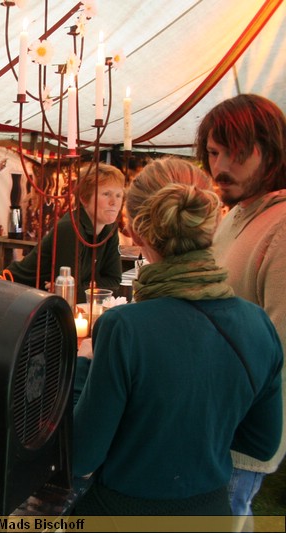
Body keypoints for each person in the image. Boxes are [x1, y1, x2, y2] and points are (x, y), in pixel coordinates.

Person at [72, 158, 283, 517]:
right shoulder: (257, 324)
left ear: (137, 232)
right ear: (213, 225)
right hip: (210, 512)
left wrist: (83, 366)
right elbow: (262, 444)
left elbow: (80, 455)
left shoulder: (124, 328)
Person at [195, 93, 286, 521]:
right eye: (214, 152)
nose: (221, 166)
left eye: (237, 151)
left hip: (239, 431)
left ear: (271, 149)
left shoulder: (282, 225)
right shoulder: (236, 214)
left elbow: (278, 344)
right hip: (210, 417)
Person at [3, 163, 125, 302]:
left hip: (43, 302)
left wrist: (85, 288)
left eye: (118, 195)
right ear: (84, 198)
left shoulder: (110, 229)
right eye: (106, 194)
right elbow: (70, 293)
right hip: (15, 296)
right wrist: (92, 287)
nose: (114, 202)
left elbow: (114, 282)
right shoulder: (71, 228)